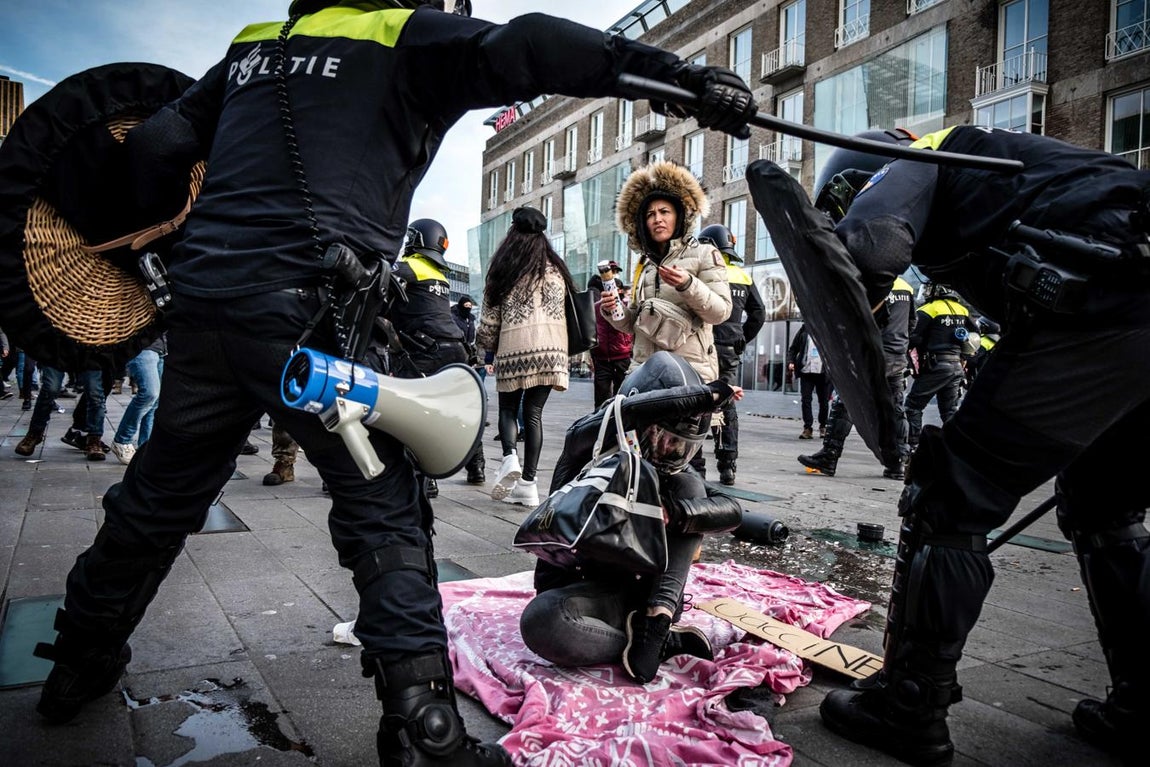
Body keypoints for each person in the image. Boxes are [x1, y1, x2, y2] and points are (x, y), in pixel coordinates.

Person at [33, 3, 757, 765]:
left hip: (207, 306)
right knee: (384, 509)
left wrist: (187, 241)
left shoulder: (257, 45)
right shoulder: (399, 33)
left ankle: (77, 662)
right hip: (315, 315)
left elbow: (156, 143)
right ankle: (423, 731)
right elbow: (530, 44)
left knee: (159, 492)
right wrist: (681, 80)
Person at [796, 126, 1150, 767]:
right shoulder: (1015, 165)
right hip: (1132, 307)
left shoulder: (922, 158)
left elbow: (872, 245)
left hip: (1102, 299)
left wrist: (852, 286)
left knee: (950, 494)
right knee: (1106, 510)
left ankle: (907, 706)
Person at [519, 351, 744, 683]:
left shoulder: (677, 474)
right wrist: (708, 394)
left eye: (682, 445)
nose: (672, 451)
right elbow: (628, 410)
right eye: (665, 439)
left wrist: (678, 513)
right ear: (640, 426)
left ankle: (657, 623)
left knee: (689, 486)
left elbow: (733, 510)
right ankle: (665, 643)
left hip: (648, 594)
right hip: (582, 589)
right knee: (540, 622)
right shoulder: (588, 439)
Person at [600, 161, 732, 387]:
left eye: (664, 212)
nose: (657, 219)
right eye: (650, 214)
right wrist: (613, 310)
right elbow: (634, 323)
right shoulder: (644, 265)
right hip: (643, 371)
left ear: (679, 216)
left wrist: (688, 285)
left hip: (689, 372)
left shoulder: (704, 253)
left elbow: (720, 312)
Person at [476, 206, 573, 508]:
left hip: (515, 348)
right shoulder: (557, 270)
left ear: (513, 232)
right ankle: (529, 485)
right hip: (552, 352)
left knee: (507, 409)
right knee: (533, 414)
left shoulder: (505, 268)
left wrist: (483, 348)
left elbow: (490, 321)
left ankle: (508, 458)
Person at [389, 218, 485, 497]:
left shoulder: (406, 268)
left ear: (415, 240)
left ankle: (424, 476)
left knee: (413, 409)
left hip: (424, 349)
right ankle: (476, 466)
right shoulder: (439, 275)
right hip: (455, 348)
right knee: (461, 407)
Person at [798, 277, 916, 480]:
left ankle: (829, 456)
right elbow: (912, 322)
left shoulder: (871, 281)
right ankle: (898, 464)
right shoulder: (906, 287)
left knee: (845, 402)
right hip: (896, 355)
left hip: (870, 354)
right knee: (896, 408)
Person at [697, 223, 765, 485]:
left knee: (697, 400)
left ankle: (695, 464)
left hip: (704, 346)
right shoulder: (742, 275)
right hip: (729, 350)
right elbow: (758, 314)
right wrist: (741, 338)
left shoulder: (705, 272)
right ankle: (728, 467)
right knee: (726, 402)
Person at [903, 281, 979, 450]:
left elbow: (913, 338)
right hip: (956, 367)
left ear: (937, 290)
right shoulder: (962, 310)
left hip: (936, 366)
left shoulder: (928, 309)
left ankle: (912, 449)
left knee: (913, 406)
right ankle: (956, 450)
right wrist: (964, 356)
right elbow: (975, 337)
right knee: (949, 411)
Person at [109, 334, 168, 465]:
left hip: (161, 347)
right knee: (149, 393)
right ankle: (122, 440)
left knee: (155, 400)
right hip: (141, 346)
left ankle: (146, 447)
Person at [589, 270, 634, 410]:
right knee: (601, 397)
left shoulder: (626, 305)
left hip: (622, 356)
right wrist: (591, 355)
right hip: (602, 357)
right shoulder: (596, 307)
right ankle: (600, 426)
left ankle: (618, 426)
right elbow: (592, 330)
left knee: (621, 395)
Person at [787, 324, 831, 440]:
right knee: (806, 400)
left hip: (823, 372)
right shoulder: (805, 329)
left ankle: (823, 426)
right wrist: (791, 361)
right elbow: (793, 348)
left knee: (824, 401)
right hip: (806, 371)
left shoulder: (829, 330)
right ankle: (808, 428)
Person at [964, 315, 1000, 386]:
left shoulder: (982, 342)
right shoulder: (995, 342)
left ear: (985, 329)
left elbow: (972, 360)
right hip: (989, 375)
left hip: (977, 376)